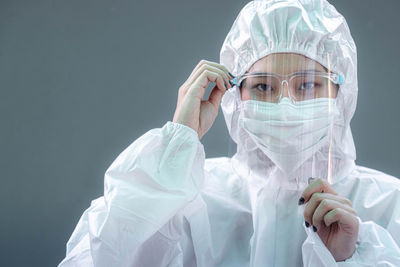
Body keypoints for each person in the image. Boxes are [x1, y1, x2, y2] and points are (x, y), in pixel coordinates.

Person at [59, 0, 400, 266]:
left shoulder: (388, 206)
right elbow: (103, 255)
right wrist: (176, 147)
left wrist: (348, 259)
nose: (285, 105)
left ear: (342, 92)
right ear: (235, 94)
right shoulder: (192, 200)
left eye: (308, 85)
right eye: (263, 86)